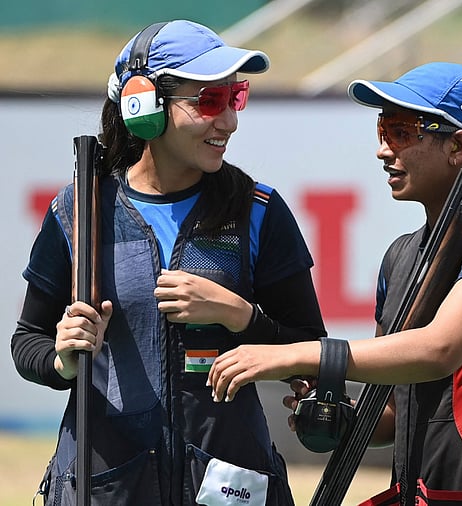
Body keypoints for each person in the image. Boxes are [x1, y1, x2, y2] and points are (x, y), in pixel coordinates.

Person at [208, 62, 462, 505]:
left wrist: (306, 355)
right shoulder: (400, 255)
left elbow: (440, 350)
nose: (383, 150)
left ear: (458, 145)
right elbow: (394, 410)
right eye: (382, 130)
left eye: (401, 131)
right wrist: (339, 418)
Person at [11, 20, 326, 506]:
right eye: (209, 102)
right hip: (106, 488)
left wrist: (236, 314)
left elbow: (310, 352)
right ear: (142, 106)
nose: (230, 122)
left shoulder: (258, 210)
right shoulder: (77, 211)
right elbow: (26, 342)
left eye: (234, 97)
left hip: (229, 489)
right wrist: (63, 359)